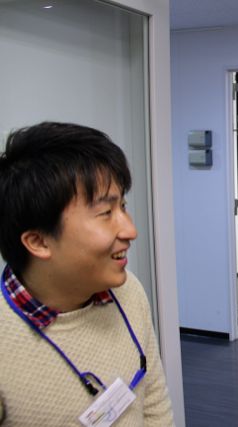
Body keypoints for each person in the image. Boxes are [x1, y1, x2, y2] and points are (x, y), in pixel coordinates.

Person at [0, 122, 174, 426]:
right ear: (39, 241)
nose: (130, 230)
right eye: (105, 213)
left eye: (123, 206)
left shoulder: (128, 291)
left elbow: (154, 402)